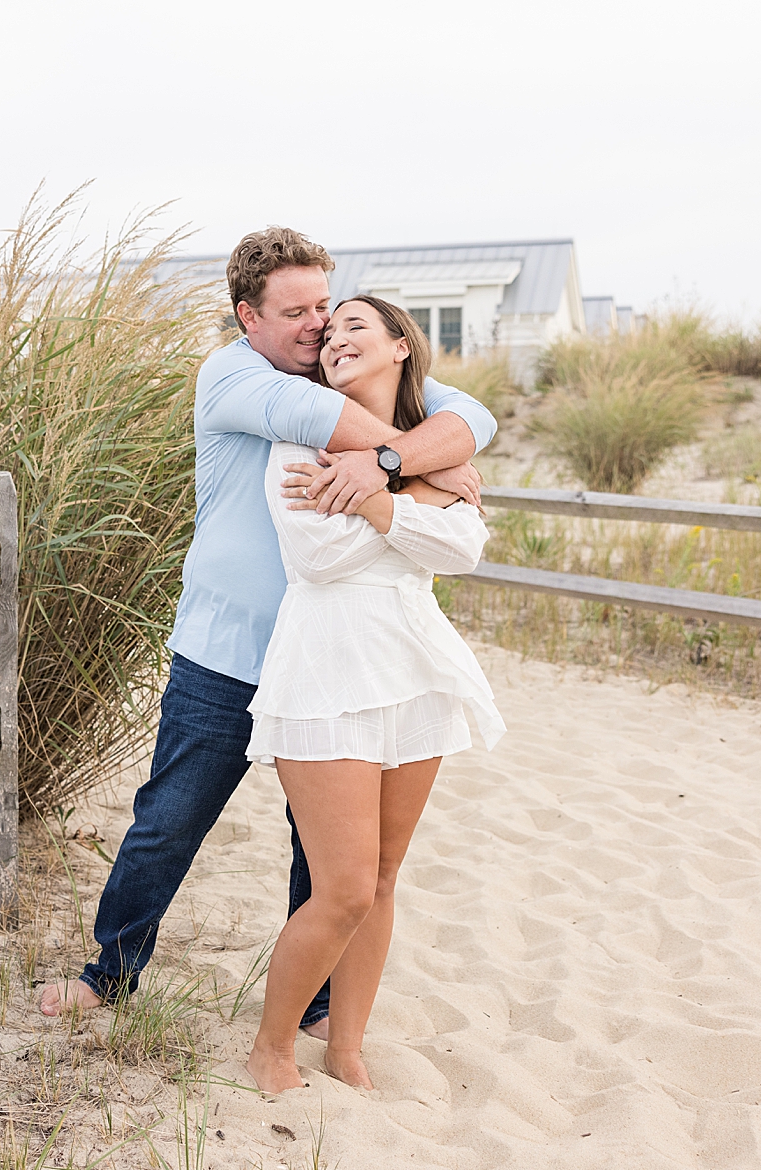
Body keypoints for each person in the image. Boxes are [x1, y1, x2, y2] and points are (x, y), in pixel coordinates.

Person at [36, 227, 496, 1027]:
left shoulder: (344, 373)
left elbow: (474, 416)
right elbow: (360, 421)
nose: (318, 324)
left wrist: (398, 460)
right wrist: (423, 459)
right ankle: (107, 974)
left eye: (326, 304)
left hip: (328, 663)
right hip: (226, 653)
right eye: (296, 312)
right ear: (248, 317)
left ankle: (313, 1003)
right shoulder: (235, 376)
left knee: (321, 853)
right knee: (170, 820)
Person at [241, 293, 500, 1096]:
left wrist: (381, 495)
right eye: (330, 333)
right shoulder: (297, 438)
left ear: (399, 346)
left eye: (356, 326)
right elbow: (320, 557)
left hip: (414, 669)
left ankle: (346, 1046)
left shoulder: (420, 438)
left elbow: (464, 550)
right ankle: (271, 1048)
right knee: (344, 886)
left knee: (385, 879)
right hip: (326, 668)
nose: (335, 339)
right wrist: (418, 496)